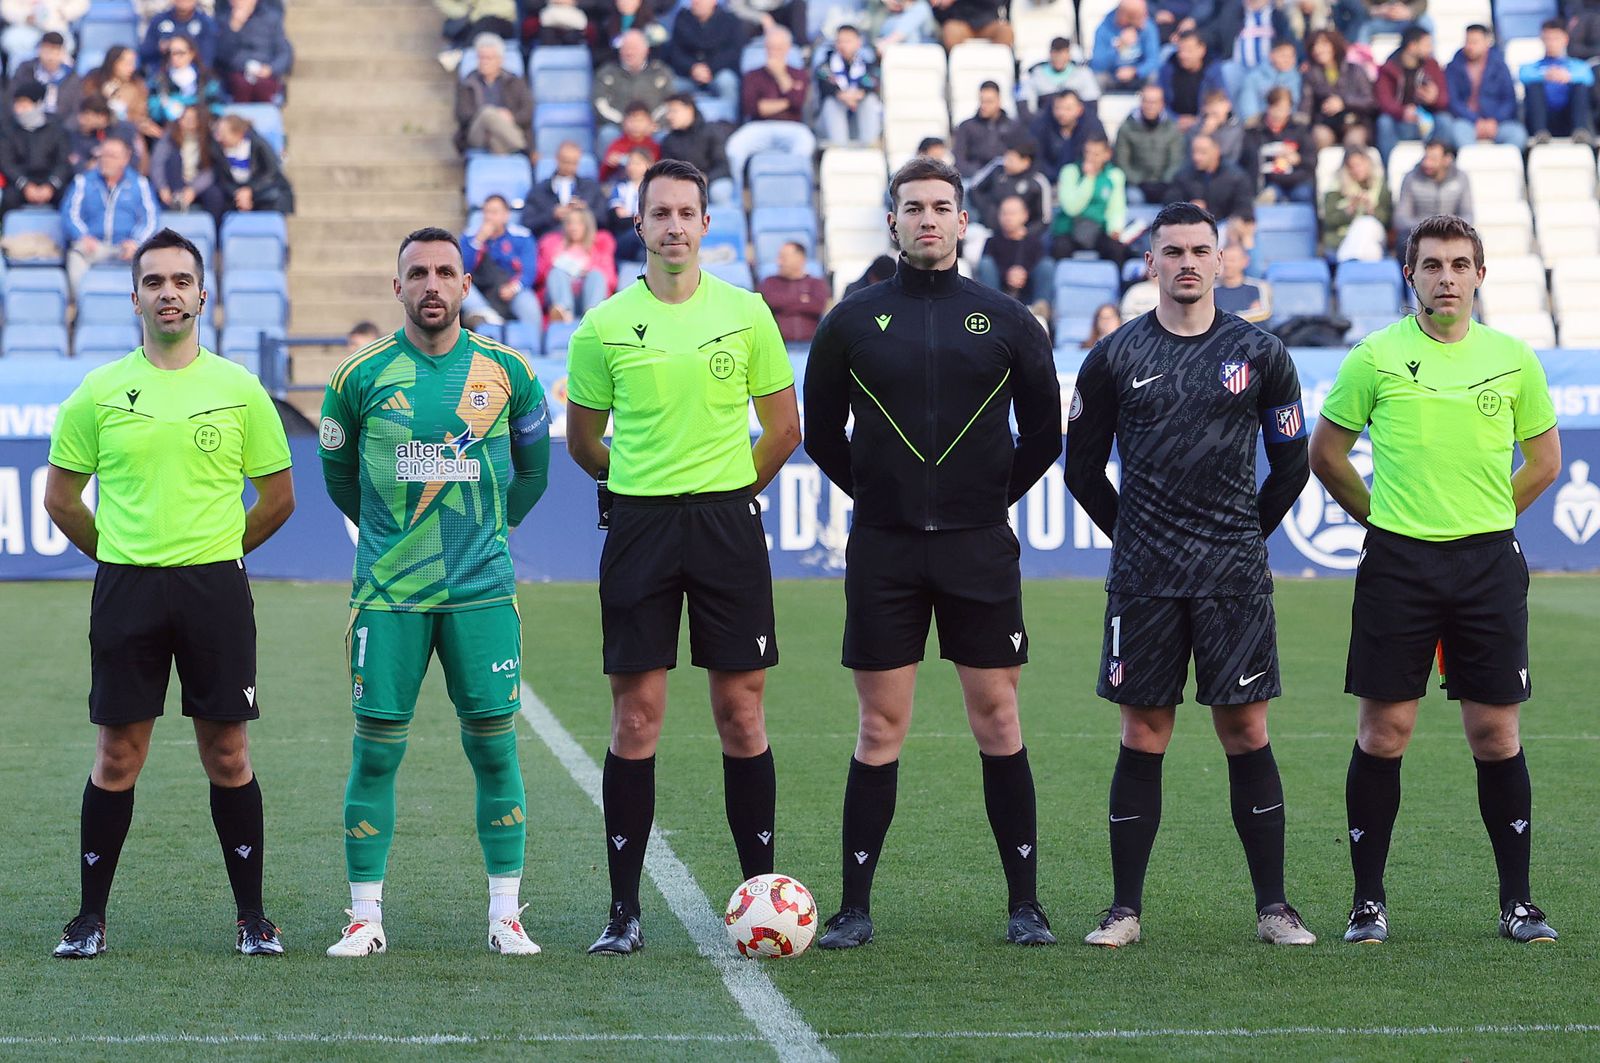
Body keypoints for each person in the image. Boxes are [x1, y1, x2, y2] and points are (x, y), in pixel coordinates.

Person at [803, 154, 1062, 950]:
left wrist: (980, 506)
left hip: (979, 549)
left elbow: (1045, 439)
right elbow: (821, 437)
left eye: (940, 207)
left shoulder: (1012, 321)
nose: (926, 219)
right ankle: (854, 907)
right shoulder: (849, 320)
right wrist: (885, 502)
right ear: (892, 221)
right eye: (911, 207)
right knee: (880, 727)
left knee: (998, 716)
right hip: (883, 551)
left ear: (961, 222)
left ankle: (1025, 904)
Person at [1063, 201, 1316, 950]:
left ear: (1221, 261)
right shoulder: (1113, 356)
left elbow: (1293, 464)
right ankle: (1124, 910)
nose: (1187, 263)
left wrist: (1242, 536)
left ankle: (1274, 908)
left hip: (1232, 576)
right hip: (1143, 578)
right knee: (1143, 730)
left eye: (1200, 250)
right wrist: (1136, 536)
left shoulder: (1263, 352)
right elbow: (1080, 468)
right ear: (1149, 262)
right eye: (1171, 251)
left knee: (1245, 728)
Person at [564, 158, 801, 956]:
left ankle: (761, 895)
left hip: (727, 527)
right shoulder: (602, 326)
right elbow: (583, 438)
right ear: (639, 225)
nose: (673, 226)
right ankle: (623, 911)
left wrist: (731, 489)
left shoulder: (746, 313)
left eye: (686, 213)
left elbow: (782, 428)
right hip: (639, 529)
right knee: (637, 716)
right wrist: (635, 482)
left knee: (741, 712)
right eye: (658, 213)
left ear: (706, 224)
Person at [1307, 213, 1562, 946]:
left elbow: (1543, 461)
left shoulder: (1514, 358)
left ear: (1480, 274)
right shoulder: (1375, 356)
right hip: (1398, 565)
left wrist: (1486, 517)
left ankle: (1518, 902)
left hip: (1487, 565)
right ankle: (1367, 902)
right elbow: (1327, 454)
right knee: (1385, 733)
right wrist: (1380, 519)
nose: (1446, 277)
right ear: (1409, 275)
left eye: (1459, 264)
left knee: (1494, 731)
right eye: (1431, 265)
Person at [45, 227, 295, 959]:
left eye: (181, 281)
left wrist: (219, 553)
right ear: (134, 298)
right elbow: (62, 498)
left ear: (202, 294)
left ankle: (252, 917)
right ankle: (89, 917)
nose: (169, 293)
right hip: (127, 589)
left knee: (227, 751)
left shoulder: (239, 388)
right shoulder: (97, 391)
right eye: (154, 282)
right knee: (117, 752)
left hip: (215, 588)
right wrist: (116, 555)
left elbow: (278, 498)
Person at [319, 226, 553, 959]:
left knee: (494, 749)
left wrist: (488, 533)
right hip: (389, 594)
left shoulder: (508, 370)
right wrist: (396, 540)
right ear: (397, 287)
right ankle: (364, 916)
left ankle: (506, 914)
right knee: (377, 752)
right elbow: (339, 480)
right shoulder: (359, 376)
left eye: (445, 272)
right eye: (416, 272)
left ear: (463, 285)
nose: (431, 284)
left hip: (481, 590)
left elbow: (535, 472)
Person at [61, 136, 159, 297]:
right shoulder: (83, 181)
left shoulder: (139, 183)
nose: (106, 160)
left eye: (112, 156)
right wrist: (83, 236)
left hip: (126, 247)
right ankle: (81, 309)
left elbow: (150, 219)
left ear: (125, 159)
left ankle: (142, 317)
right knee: (76, 255)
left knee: (149, 262)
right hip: (93, 246)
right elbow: (69, 214)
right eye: (103, 155)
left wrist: (136, 242)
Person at [725, 26, 816, 192]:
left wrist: (781, 76)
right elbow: (752, 108)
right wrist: (787, 100)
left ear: (787, 49)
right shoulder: (753, 74)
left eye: (778, 48)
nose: (774, 52)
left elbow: (798, 103)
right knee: (734, 148)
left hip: (792, 127)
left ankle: (797, 191)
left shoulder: (799, 73)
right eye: (770, 48)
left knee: (805, 143)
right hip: (758, 127)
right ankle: (736, 195)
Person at [461, 193, 542, 326]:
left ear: (506, 215)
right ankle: (490, 318)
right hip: (480, 287)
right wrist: (478, 241)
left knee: (530, 306)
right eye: (486, 212)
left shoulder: (522, 236)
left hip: (512, 287)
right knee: (460, 287)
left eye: (494, 212)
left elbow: (529, 271)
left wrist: (514, 288)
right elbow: (463, 269)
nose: (488, 217)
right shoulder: (470, 237)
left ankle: (533, 343)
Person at [1444, 23, 1527, 150]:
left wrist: (1494, 121)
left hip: (1497, 124)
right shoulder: (1453, 67)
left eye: (1475, 42)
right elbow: (1453, 101)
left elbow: (1509, 99)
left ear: (1487, 42)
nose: (1470, 46)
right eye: (1467, 41)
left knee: (1517, 135)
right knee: (1458, 133)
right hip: (1467, 122)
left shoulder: (1500, 66)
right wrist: (1476, 120)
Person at [1050, 133, 1129, 264]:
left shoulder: (1115, 175)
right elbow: (1072, 208)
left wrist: (1115, 228)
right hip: (1070, 228)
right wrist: (1089, 179)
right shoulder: (1070, 171)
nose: (1090, 158)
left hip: (1098, 229)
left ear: (1107, 155)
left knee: (1116, 250)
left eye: (1096, 154)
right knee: (1060, 248)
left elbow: (1116, 207)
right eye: (1088, 153)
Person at [663, 0, 744, 124]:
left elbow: (733, 52)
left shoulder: (730, 20)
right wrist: (692, 68)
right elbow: (675, 52)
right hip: (688, 74)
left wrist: (709, 68)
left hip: (717, 72)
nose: (696, 3)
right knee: (669, 85)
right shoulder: (683, 18)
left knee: (727, 82)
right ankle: (668, 125)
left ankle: (731, 123)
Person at [453, 32, 532, 155]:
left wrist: (512, 117)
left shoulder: (515, 81)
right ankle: (521, 147)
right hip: (478, 133)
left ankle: (498, 147)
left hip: (508, 129)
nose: (484, 62)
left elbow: (528, 111)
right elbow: (462, 115)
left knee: (496, 141)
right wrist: (493, 117)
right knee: (488, 113)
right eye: (481, 58)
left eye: (488, 58)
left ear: (500, 60)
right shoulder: (467, 83)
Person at [1519, 19, 1596, 146]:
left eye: (1555, 38)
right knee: (1534, 87)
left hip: (1569, 116)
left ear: (1565, 39)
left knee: (1580, 87)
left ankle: (1581, 131)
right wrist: (1546, 75)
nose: (1551, 43)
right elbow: (1524, 75)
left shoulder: (1575, 66)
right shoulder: (1535, 67)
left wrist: (1568, 77)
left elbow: (1588, 77)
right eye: (1547, 38)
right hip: (1544, 116)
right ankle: (1540, 132)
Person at [1375, 25, 1447, 160]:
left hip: (1426, 122)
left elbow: (1444, 99)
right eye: (1426, 45)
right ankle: (1387, 168)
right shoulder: (1389, 68)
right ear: (1412, 46)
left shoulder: (1432, 65)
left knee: (1444, 120)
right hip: (1399, 122)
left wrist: (1434, 99)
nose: (1430, 49)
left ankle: (1440, 165)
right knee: (1384, 122)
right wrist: (1403, 112)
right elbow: (1383, 101)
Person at [536, 204, 617, 322]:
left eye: (579, 223)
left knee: (596, 275)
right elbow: (539, 276)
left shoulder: (600, 244)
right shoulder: (552, 243)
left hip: (589, 295)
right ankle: (563, 312)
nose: (573, 227)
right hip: (559, 295)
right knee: (556, 272)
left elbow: (611, 279)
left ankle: (591, 317)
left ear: (587, 226)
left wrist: (586, 270)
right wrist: (553, 262)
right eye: (569, 223)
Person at [1, 81, 73, 212]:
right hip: (21, 183)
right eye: (17, 104)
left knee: (68, 197)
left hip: (50, 181)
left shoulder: (56, 129)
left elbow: (63, 162)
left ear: (38, 104)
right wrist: (25, 185)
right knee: (8, 199)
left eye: (24, 104)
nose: (19, 109)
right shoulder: (9, 130)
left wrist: (51, 186)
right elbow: (7, 163)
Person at [1301, 28, 1377, 150]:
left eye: (1324, 44)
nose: (1318, 50)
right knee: (1318, 137)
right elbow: (1306, 105)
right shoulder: (1310, 75)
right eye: (1314, 46)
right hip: (1326, 123)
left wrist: (1344, 102)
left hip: (1355, 122)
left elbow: (1370, 101)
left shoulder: (1355, 70)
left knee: (1354, 141)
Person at [150, 105, 226, 225]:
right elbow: (157, 164)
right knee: (174, 159)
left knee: (215, 196)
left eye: (192, 119)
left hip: (198, 184)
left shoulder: (208, 140)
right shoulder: (169, 138)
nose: (186, 122)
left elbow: (210, 170)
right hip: (174, 181)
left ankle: (214, 234)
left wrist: (193, 189)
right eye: (184, 118)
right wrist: (162, 187)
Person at [1392, 138, 1470, 252]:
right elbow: (1401, 218)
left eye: (1433, 159)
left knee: (1474, 239)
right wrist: (1430, 228)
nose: (1427, 163)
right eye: (1426, 157)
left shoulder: (1461, 178)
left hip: (1451, 233)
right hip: (1420, 233)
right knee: (1403, 240)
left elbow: (1468, 215)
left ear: (1447, 159)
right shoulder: (1411, 178)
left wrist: (1447, 228)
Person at [1241, 87, 1316, 204]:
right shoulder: (1256, 130)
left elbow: (1312, 161)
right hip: (1269, 181)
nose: (1279, 114)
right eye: (1275, 108)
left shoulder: (1299, 128)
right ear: (1268, 107)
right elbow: (1248, 160)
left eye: (1284, 109)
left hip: (1297, 180)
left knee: (1303, 194)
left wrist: (1299, 159)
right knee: (1269, 196)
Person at [1115, 84, 1186, 204]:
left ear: (1162, 104)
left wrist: (1164, 182)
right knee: (1133, 197)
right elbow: (1122, 162)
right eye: (1146, 102)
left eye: (1154, 102)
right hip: (1136, 184)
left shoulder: (1172, 128)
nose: (1150, 106)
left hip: (1165, 184)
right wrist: (1140, 182)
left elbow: (1176, 161)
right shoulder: (1127, 128)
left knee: (1175, 198)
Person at [977, 194, 1052, 307]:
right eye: (1004, 213)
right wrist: (1007, 274)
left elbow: (1038, 268)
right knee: (985, 264)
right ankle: (991, 307)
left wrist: (1021, 274)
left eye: (1012, 213)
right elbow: (988, 271)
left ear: (1025, 215)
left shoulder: (1035, 243)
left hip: (1028, 293)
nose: (1008, 218)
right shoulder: (992, 241)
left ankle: (1041, 307)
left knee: (1046, 265)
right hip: (1000, 292)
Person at [815, 23, 883, 147]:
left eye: (848, 41)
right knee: (832, 102)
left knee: (870, 101)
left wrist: (856, 95)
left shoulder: (867, 65)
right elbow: (827, 86)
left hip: (857, 120)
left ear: (858, 42)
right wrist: (844, 96)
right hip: (830, 123)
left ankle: (870, 147)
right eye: (840, 41)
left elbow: (871, 83)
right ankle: (839, 148)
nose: (843, 45)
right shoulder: (824, 66)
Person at [213, 113, 294, 214]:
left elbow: (271, 173)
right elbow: (221, 178)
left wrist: (250, 190)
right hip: (234, 193)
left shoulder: (258, 144)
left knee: (273, 198)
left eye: (223, 134)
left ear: (238, 134)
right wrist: (238, 194)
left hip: (261, 190)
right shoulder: (216, 150)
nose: (218, 138)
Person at [594, 29, 674, 131]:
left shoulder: (660, 72)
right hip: (618, 127)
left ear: (646, 50)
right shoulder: (607, 72)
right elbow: (599, 103)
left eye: (634, 48)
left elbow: (669, 102)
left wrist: (651, 123)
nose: (629, 52)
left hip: (653, 127)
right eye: (625, 48)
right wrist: (624, 123)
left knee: (665, 136)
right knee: (607, 134)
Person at [968, 134, 1051, 232]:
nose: (1006, 162)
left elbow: (1044, 219)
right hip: (988, 229)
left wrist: (1027, 231)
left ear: (1026, 162)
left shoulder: (1038, 181)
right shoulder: (997, 168)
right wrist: (987, 211)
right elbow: (973, 188)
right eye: (1006, 157)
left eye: (1011, 160)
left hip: (1023, 237)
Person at [659, 93, 732, 204]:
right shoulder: (668, 140)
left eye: (674, 111)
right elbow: (668, 170)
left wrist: (706, 178)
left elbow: (722, 166)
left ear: (689, 109)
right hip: (683, 184)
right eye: (668, 112)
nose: (669, 116)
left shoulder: (711, 131)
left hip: (712, 181)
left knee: (720, 190)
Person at [80, 45, 163, 142]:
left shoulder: (137, 86)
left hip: (127, 134)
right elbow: (87, 110)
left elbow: (140, 115)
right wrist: (104, 99)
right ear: (113, 63)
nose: (131, 68)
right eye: (127, 64)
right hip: (95, 134)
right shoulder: (93, 83)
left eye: (133, 64)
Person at [1170, 134, 1255, 229]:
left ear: (1216, 151)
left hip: (1226, 229)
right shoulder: (1183, 175)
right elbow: (1170, 202)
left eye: (1203, 152)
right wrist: (1188, 208)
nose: (1196, 157)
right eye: (1194, 152)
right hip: (1190, 227)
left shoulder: (1236, 177)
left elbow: (1245, 210)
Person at [523, 140, 604, 238]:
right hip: (552, 239)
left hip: (585, 241)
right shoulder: (539, 190)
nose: (569, 167)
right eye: (566, 162)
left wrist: (585, 211)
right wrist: (552, 215)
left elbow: (604, 219)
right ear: (557, 159)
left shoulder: (590, 188)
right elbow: (528, 222)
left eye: (574, 163)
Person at [216, 0, 292, 103]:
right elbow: (220, 55)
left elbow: (284, 52)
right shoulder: (222, 20)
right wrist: (234, 27)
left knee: (264, 86)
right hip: (236, 74)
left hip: (265, 72)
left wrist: (271, 69)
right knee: (240, 85)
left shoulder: (271, 19)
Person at [1320, 146, 1390, 258]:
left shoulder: (1381, 186)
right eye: (1352, 167)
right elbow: (1328, 221)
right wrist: (1349, 210)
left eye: (1359, 165)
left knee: (1366, 223)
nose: (1357, 170)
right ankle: (1358, 267)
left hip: (1374, 233)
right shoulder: (1335, 188)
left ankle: (1348, 265)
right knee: (1371, 250)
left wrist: (1371, 209)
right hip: (1343, 236)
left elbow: (1387, 220)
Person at [758, 239, 830, 342]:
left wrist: (783, 304)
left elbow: (817, 307)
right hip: (779, 344)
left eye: (784, 258)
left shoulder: (816, 283)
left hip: (809, 345)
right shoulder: (769, 282)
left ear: (800, 259)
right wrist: (802, 299)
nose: (779, 262)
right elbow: (770, 302)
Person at [147, 33, 225, 127]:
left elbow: (217, 107)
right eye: (170, 53)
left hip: (202, 130)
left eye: (180, 53)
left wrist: (195, 113)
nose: (174, 57)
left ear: (191, 54)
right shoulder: (159, 81)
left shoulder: (206, 79)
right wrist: (165, 108)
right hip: (170, 130)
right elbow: (153, 110)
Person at [953, 80, 1025, 179]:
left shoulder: (1014, 126)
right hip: (974, 179)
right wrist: (978, 175)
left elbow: (1020, 157)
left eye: (989, 101)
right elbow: (959, 159)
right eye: (982, 101)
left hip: (1005, 179)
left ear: (999, 101)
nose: (984, 106)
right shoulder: (966, 127)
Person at [1158, 31, 1225, 132]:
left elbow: (1220, 100)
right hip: (1172, 124)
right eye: (1180, 50)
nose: (1183, 55)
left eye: (1189, 51)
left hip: (1203, 124)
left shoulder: (1213, 71)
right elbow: (1159, 101)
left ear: (1202, 50)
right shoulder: (1168, 68)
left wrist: (1198, 121)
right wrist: (1176, 119)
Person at [8, 30, 81, 121]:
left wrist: (63, 131)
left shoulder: (72, 77)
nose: (50, 57)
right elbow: (12, 100)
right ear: (39, 50)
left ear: (63, 53)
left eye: (55, 52)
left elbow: (76, 110)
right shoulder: (25, 71)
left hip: (61, 128)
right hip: (27, 124)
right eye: (47, 51)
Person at [1091, 0, 1162, 92]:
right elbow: (1097, 64)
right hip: (1112, 76)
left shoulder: (1148, 27)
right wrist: (1119, 46)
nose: (1144, 19)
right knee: (1095, 78)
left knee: (1153, 75)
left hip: (1137, 75)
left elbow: (1154, 60)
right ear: (1126, 17)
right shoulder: (1104, 29)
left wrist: (1136, 71)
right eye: (1140, 16)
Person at [1031, 89, 1107, 175]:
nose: (1061, 113)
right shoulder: (1042, 124)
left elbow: (1098, 154)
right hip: (1048, 178)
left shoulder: (1092, 126)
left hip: (1082, 175)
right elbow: (1035, 157)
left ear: (1079, 109)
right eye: (1058, 108)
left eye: (1068, 109)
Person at [1024, 36, 1100, 117]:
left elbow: (1091, 105)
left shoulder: (1083, 73)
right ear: (1050, 54)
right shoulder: (1037, 74)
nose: (1058, 58)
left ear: (1069, 54)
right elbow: (1027, 106)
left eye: (1062, 53)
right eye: (1055, 53)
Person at [1237, 39, 1303, 123]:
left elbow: (1296, 106)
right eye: (1283, 56)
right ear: (1271, 55)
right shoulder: (1253, 77)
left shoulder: (1297, 78)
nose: (1287, 60)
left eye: (1291, 56)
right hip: (1260, 125)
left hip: (1288, 125)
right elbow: (1248, 107)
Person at [140, 0, 218, 69]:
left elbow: (208, 59)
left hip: (195, 78)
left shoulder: (206, 23)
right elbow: (145, 53)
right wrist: (161, 47)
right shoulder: (158, 20)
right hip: (161, 78)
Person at [599, 102, 662, 182]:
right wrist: (609, 164)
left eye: (640, 121)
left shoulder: (654, 146)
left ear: (650, 122)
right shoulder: (617, 145)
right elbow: (603, 177)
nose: (636, 125)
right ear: (624, 123)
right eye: (632, 121)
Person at [1213, 240, 1269, 320]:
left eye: (1232, 260)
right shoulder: (1211, 290)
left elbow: (1264, 314)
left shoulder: (1259, 287)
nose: (1227, 264)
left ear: (1245, 261)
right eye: (1223, 260)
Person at [933, 0, 1013, 50]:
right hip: (960, 23)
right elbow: (938, 12)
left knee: (1006, 32)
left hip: (988, 23)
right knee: (950, 31)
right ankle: (962, 69)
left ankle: (994, 68)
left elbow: (997, 3)